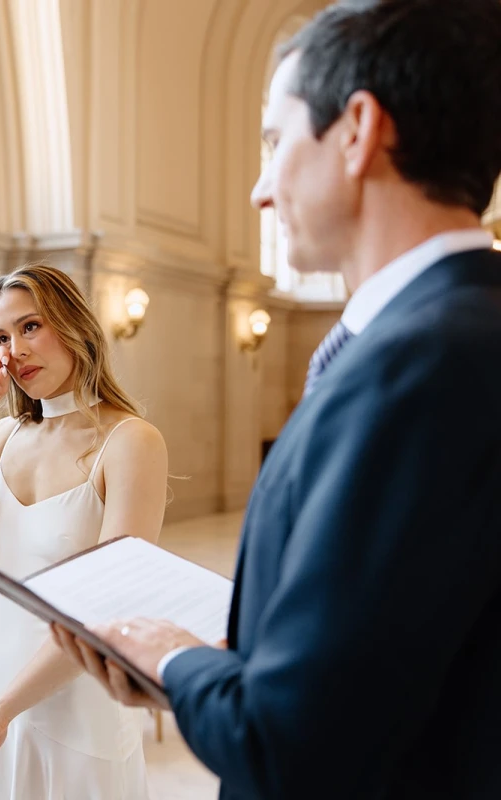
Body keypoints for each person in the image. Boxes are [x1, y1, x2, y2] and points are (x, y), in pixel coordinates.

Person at [52, 3, 501, 799]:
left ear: (357, 130)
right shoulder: (465, 329)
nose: (261, 191)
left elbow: (293, 742)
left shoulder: (413, 367)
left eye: (274, 142)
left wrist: (175, 661)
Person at [0, 263, 170, 798]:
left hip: (73, 694)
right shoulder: (3, 437)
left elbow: (108, 606)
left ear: (74, 323)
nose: (14, 350)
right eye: (1, 338)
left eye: (30, 326)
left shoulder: (131, 441)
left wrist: (5, 709)